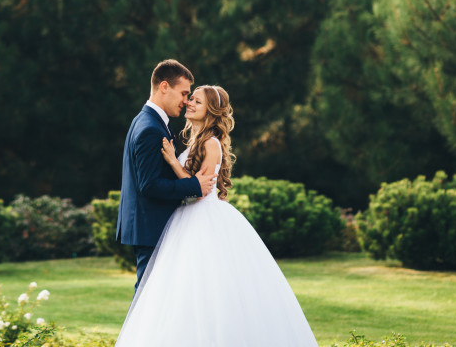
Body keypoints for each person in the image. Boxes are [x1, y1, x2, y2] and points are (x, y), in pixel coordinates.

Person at [115, 85, 320, 347]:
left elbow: (200, 190)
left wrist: (173, 162)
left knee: (206, 285)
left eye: (197, 102)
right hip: (184, 218)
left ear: (210, 111)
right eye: (190, 99)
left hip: (203, 218)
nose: (189, 103)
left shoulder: (211, 144)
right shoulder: (192, 140)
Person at [116, 59, 217, 291]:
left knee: (154, 299)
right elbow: (149, 185)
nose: (186, 101)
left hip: (150, 225)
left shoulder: (148, 121)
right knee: (148, 298)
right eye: (183, 93)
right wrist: (194, 185)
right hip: (151, 227)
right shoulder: (150, 128)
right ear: (164, 87)